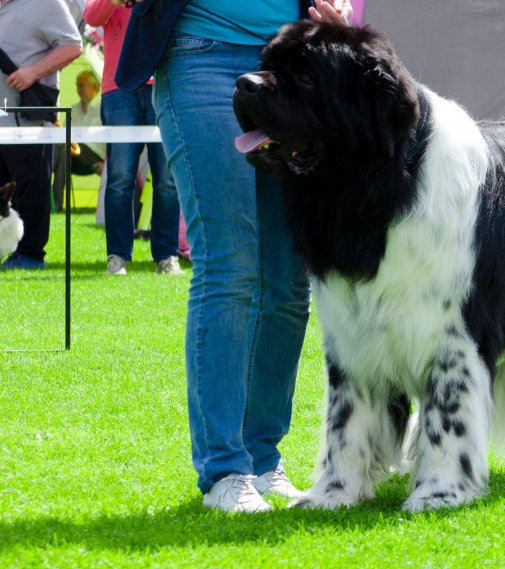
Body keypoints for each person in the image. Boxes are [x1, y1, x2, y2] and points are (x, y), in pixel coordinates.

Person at [112, 0, 352, 512]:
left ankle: (263, 459)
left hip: (290, 62)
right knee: (230, 264)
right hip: (201, 56)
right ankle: (224, 469)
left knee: (288, 282)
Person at [84, 0, 183, 276]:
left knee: (167, 179)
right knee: (119, 178)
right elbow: (91, 16)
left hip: (162, 84)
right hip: (118, 90)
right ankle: (117, 257)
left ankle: (167, 255)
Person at [0, 0, 82, 270]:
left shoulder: (46, 2)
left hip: (28, 117)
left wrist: (32, 72)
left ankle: (30, 254)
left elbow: (73, 46)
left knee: (30, 186)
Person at [52, 70, 106, 213]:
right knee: (58, 150)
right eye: (77, 85)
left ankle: (55, 203)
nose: (78, 88)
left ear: (94, 87)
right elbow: (61, 134)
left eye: (82, 85)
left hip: (94, 155)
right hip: (70, 153)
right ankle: (51, 202)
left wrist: (107, 163)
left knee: (63, 152)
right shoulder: (72, 109)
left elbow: (112, 138)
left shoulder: (103, 107)